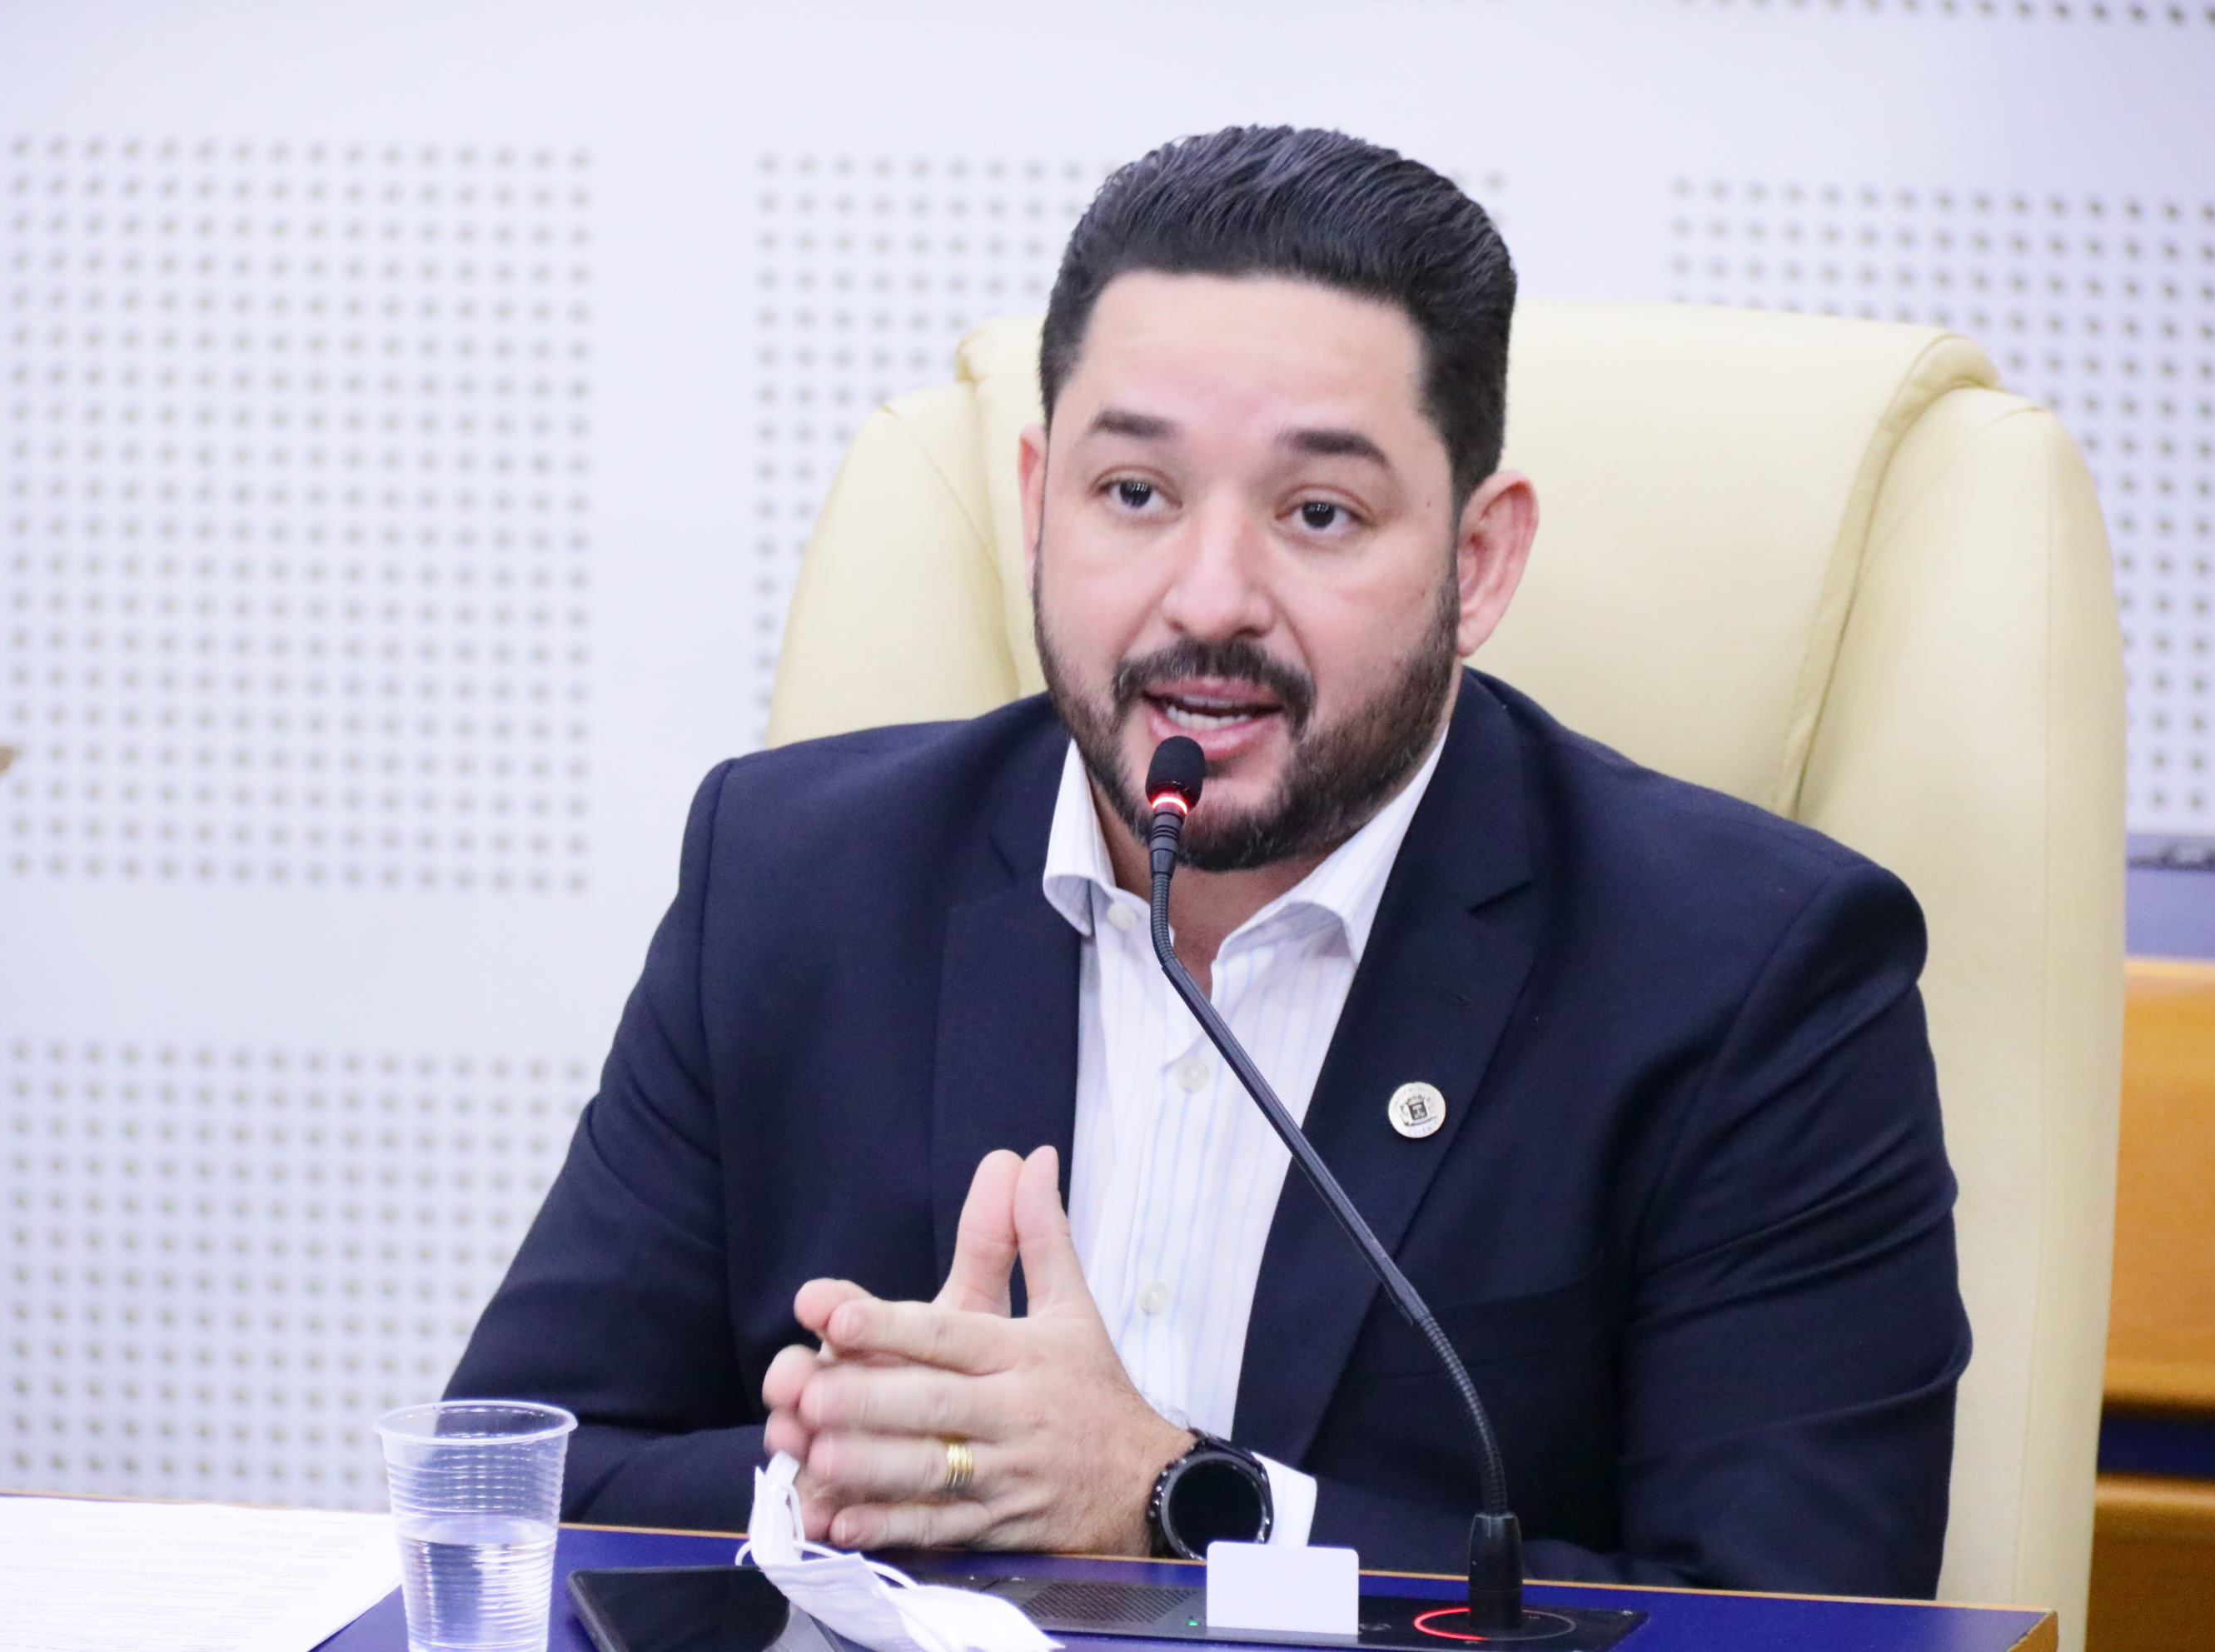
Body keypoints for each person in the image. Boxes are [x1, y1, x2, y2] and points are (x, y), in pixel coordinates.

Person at [447, 126, 1969, 1595]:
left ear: (1479, 560)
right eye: (1135, 495)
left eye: (1319, 512)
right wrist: (878, 1477)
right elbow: (514, 1484)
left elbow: (1799, 1614)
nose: (1210, 598)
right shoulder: (793, 879)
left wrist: (1177, 1505)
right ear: (1038, 507)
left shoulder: (1748, 974)